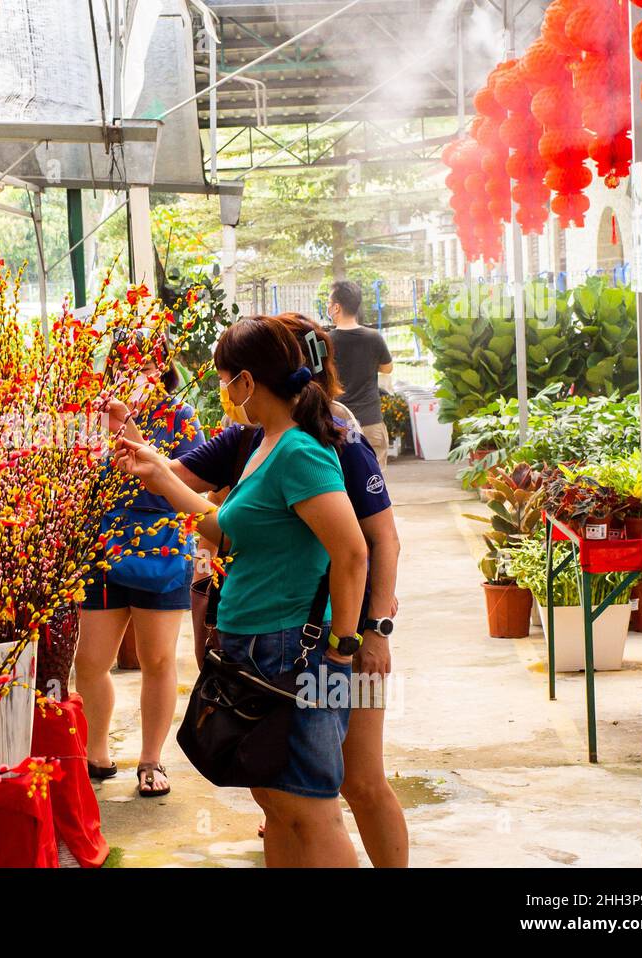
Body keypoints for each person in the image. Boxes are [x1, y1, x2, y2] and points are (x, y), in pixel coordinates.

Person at [138, 312, 408, 868]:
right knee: (278, 801)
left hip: (298, 651)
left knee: (324, 802)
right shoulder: (260, 444)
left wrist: (348, 643)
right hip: (258, 648)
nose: (221, 388)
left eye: (224, 376)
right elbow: (223, 526)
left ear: (247, 378)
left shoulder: (309, 448)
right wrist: (159, 474)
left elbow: (361, 549)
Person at [76, 344, 203, 799]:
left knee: (158, 660)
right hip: (104, 548)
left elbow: (183, 480)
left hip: (162, 548)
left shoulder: (181, 415)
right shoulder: (93, 416)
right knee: (89, 661)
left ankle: (151, 760)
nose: (135, 375)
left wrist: (127, 422)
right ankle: (96, 754)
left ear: (162, 369)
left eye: (145, 367)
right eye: (125, 367)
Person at [327, 281, 394, 470]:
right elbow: (387, 368)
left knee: (343, 483)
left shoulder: (327, 341)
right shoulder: (374, 337)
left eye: (329, 303)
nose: (328, 307)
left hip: (338, 424)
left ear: (337, 307)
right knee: (375, 485)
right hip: (371, 422)